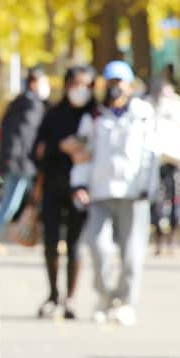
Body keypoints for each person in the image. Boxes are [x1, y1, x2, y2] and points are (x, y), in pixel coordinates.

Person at [63, 60, 159, 327]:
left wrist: (147, 186)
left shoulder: (143, 114)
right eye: (112, 82)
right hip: (100, 192)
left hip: (133, 194)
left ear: (130, 85)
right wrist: (79, 185)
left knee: (132, 253)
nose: (116, 87)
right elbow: (84, 156)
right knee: (98, 247)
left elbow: (151, 155)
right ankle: (105, 297)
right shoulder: (93, 117)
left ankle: (126, 302)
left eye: (121, 82)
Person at [30, 65, 95, 320]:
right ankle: (53, 294)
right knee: (50, 244)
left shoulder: (95, 116)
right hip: (53, 186)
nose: (81, 90)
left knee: (75, 245)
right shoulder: (53, 114)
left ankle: (71, 298)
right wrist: (61, 146)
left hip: (82, 190)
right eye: (76, 84)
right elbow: (37, 148)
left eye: (87, 85)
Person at [0, 67, 49, 228]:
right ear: (34, 83)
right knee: (10, 203)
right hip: (22, 162)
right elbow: (28, 137)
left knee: (9, 200)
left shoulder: (18, 102)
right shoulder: (32, 105)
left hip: (13, 159)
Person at [149, 78, 180, 255]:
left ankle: (173, 240)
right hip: (156, 163)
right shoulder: (149, 108)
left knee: (177, 204)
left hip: (175, 162)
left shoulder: (178, 110)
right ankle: (159, 241)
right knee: (157, 205)